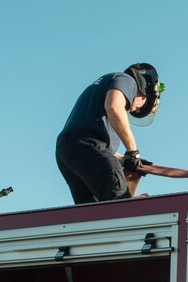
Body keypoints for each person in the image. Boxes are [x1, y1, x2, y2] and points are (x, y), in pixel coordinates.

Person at [56, 63, 163, 204]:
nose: (135, 111)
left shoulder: (104, 85)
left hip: (68, 151)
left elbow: (93, 146)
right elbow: (113, 107)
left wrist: (126, 159)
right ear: (146, 91)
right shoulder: (127, 80)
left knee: (92, 214)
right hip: (89, 147)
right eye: (141, 108)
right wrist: (133, 151)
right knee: (119, 207)